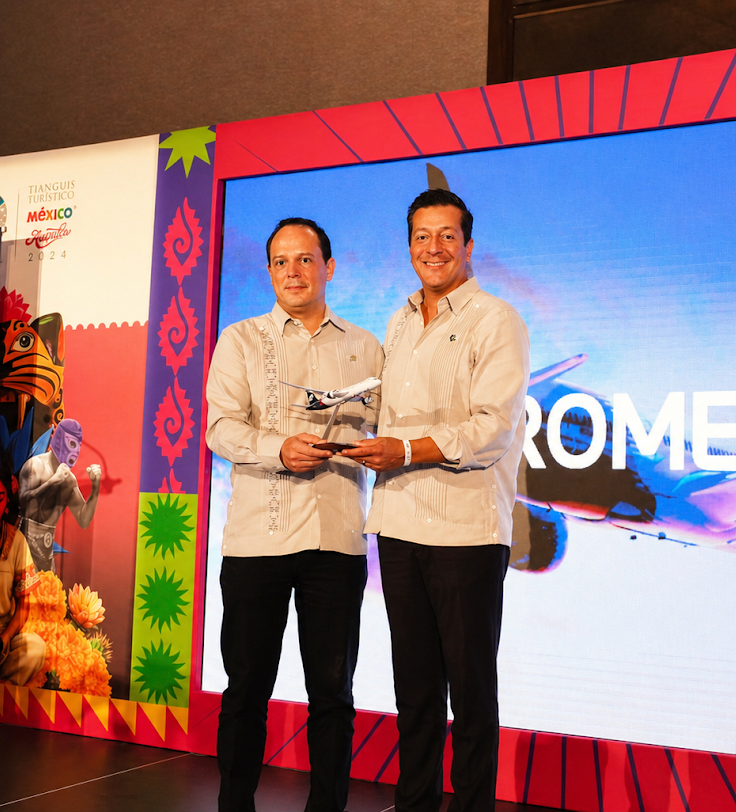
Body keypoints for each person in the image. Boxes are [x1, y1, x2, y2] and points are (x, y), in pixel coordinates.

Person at [342, 190, 530, 812]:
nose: (434, 248)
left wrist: (405, 449)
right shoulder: (398, 321)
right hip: (398, 523)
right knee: (415, 692)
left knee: (471, 694)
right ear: (409, 247)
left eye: (447, 235)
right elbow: (388, 412)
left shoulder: (496, 319)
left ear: (469, 246)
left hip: (466, 530)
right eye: (422, 236)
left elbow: (492, 429)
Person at [206, 217, 384, 812]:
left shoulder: (365, 346)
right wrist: (277, 449)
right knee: (246, 691)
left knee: (332, 694)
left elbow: (388, 424)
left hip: (336, 540)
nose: (293, 272)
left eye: (305, 259)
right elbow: (220, 427)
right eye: (281, 262)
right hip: (257, 540)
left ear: (328, 268)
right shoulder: (240, 339)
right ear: (268, 272)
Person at [0, 466, 45, 686]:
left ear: (7, 500)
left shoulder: (17, 541)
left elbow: (24, 606)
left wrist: (2, 641)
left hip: (2, 638)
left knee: (35, 649)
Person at [16, 419, 101, 571]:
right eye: (72, 444)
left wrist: (95, 488)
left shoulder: (69, 481)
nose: (75, 452)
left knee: (49, 585)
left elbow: (84, 520)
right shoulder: (35, 465)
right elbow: (23, 502)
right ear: (60, 440)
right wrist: (52, 482)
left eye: (78, 446)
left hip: (46, 557)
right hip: (23, 549)